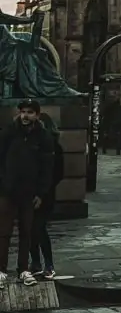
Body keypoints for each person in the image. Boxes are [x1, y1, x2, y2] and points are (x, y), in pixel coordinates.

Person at [0, 99, 54, 288]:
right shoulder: (9, 132)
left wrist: (41, 193)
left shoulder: (43, 136)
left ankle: (23, 270)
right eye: (23, 111)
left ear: (37, 115)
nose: (25, 116)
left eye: (30, 112)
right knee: (4, 232)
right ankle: (1, 271)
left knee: (26, 233)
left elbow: (47, 168)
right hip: (8, 191)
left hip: (29, 193)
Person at [29, 112, 64, 279]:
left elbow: (58, 173)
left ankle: (48, 263)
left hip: (45, 194)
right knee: (30, 229)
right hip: (28, 193)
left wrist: (44, 189)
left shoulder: (55, 147)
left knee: (39, 228)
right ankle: (35, 263)